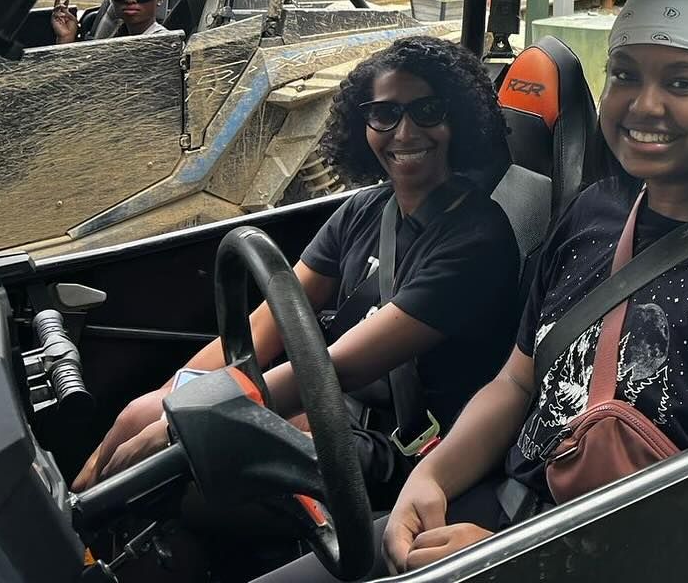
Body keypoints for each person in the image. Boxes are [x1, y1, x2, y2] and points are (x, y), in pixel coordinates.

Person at [258, 0, 688, 582]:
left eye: (683, 83)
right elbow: (519, 380)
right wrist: (430, 479)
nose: (644, 105)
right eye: (625, 75)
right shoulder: (596, 212)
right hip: (509, 509)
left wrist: (520, 553)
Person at [71, 35, 521, 509]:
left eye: (428, 111)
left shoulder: (476, 242)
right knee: (136, 415)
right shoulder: (365, 211)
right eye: (385, 114)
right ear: (363, 124)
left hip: (405, 449)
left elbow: (341, 366)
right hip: (330, 410)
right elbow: (267, 325)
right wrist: (171, 394)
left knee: (192, 472)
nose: (405, 133)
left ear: (460, 119)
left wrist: (180, 422)